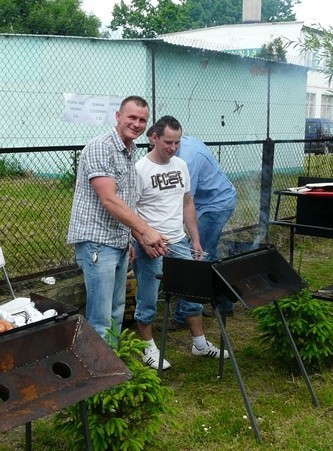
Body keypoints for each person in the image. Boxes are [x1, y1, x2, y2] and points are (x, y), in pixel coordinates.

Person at [67, 95, 167, 344]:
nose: (137, 123)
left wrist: (130, 238)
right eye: (132, 117)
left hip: (118, 243)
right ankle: (100, 375)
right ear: (118, 116)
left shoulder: (129, 150)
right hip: (98, 244)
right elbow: (109, 200)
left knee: (115, 312)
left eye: (142, 120)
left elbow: (126, 200)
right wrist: (145, 231)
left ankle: (114, 368)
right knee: (100, 319)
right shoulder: (102, 146)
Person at [132, 115, 229, 370]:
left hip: (179, 241)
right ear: (154, 138)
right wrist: (142, 239)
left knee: (193, 292)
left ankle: (199, 343)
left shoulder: (181, 165)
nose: (173, 148)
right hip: (151, 246)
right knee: (148, 299)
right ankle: (148, 349)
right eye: (168, 142)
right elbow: (130, 212)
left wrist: (195, 239)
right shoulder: (140, 170)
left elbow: (188, 203)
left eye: (176, 143)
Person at [170, 134, 238, 328]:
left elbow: (184, 199)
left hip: (216, 205)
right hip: (209, 202)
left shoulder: (186, 159)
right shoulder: (182, 143)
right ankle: (224, 303)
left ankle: (184, 315)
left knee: (196, 258)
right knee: (210, 255)